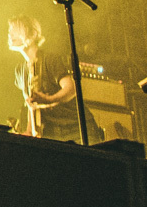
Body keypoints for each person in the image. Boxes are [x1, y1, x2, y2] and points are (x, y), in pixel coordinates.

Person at [8, 14, 100, 142]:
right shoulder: (20, 70)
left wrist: (49, 99)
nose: (10, 34)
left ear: (33, 34)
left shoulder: (50, 60)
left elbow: (71, 88)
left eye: (16, 30)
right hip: (52, 133)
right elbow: (31, 105)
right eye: (10, 30)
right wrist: (30, 131)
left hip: (76, 128)